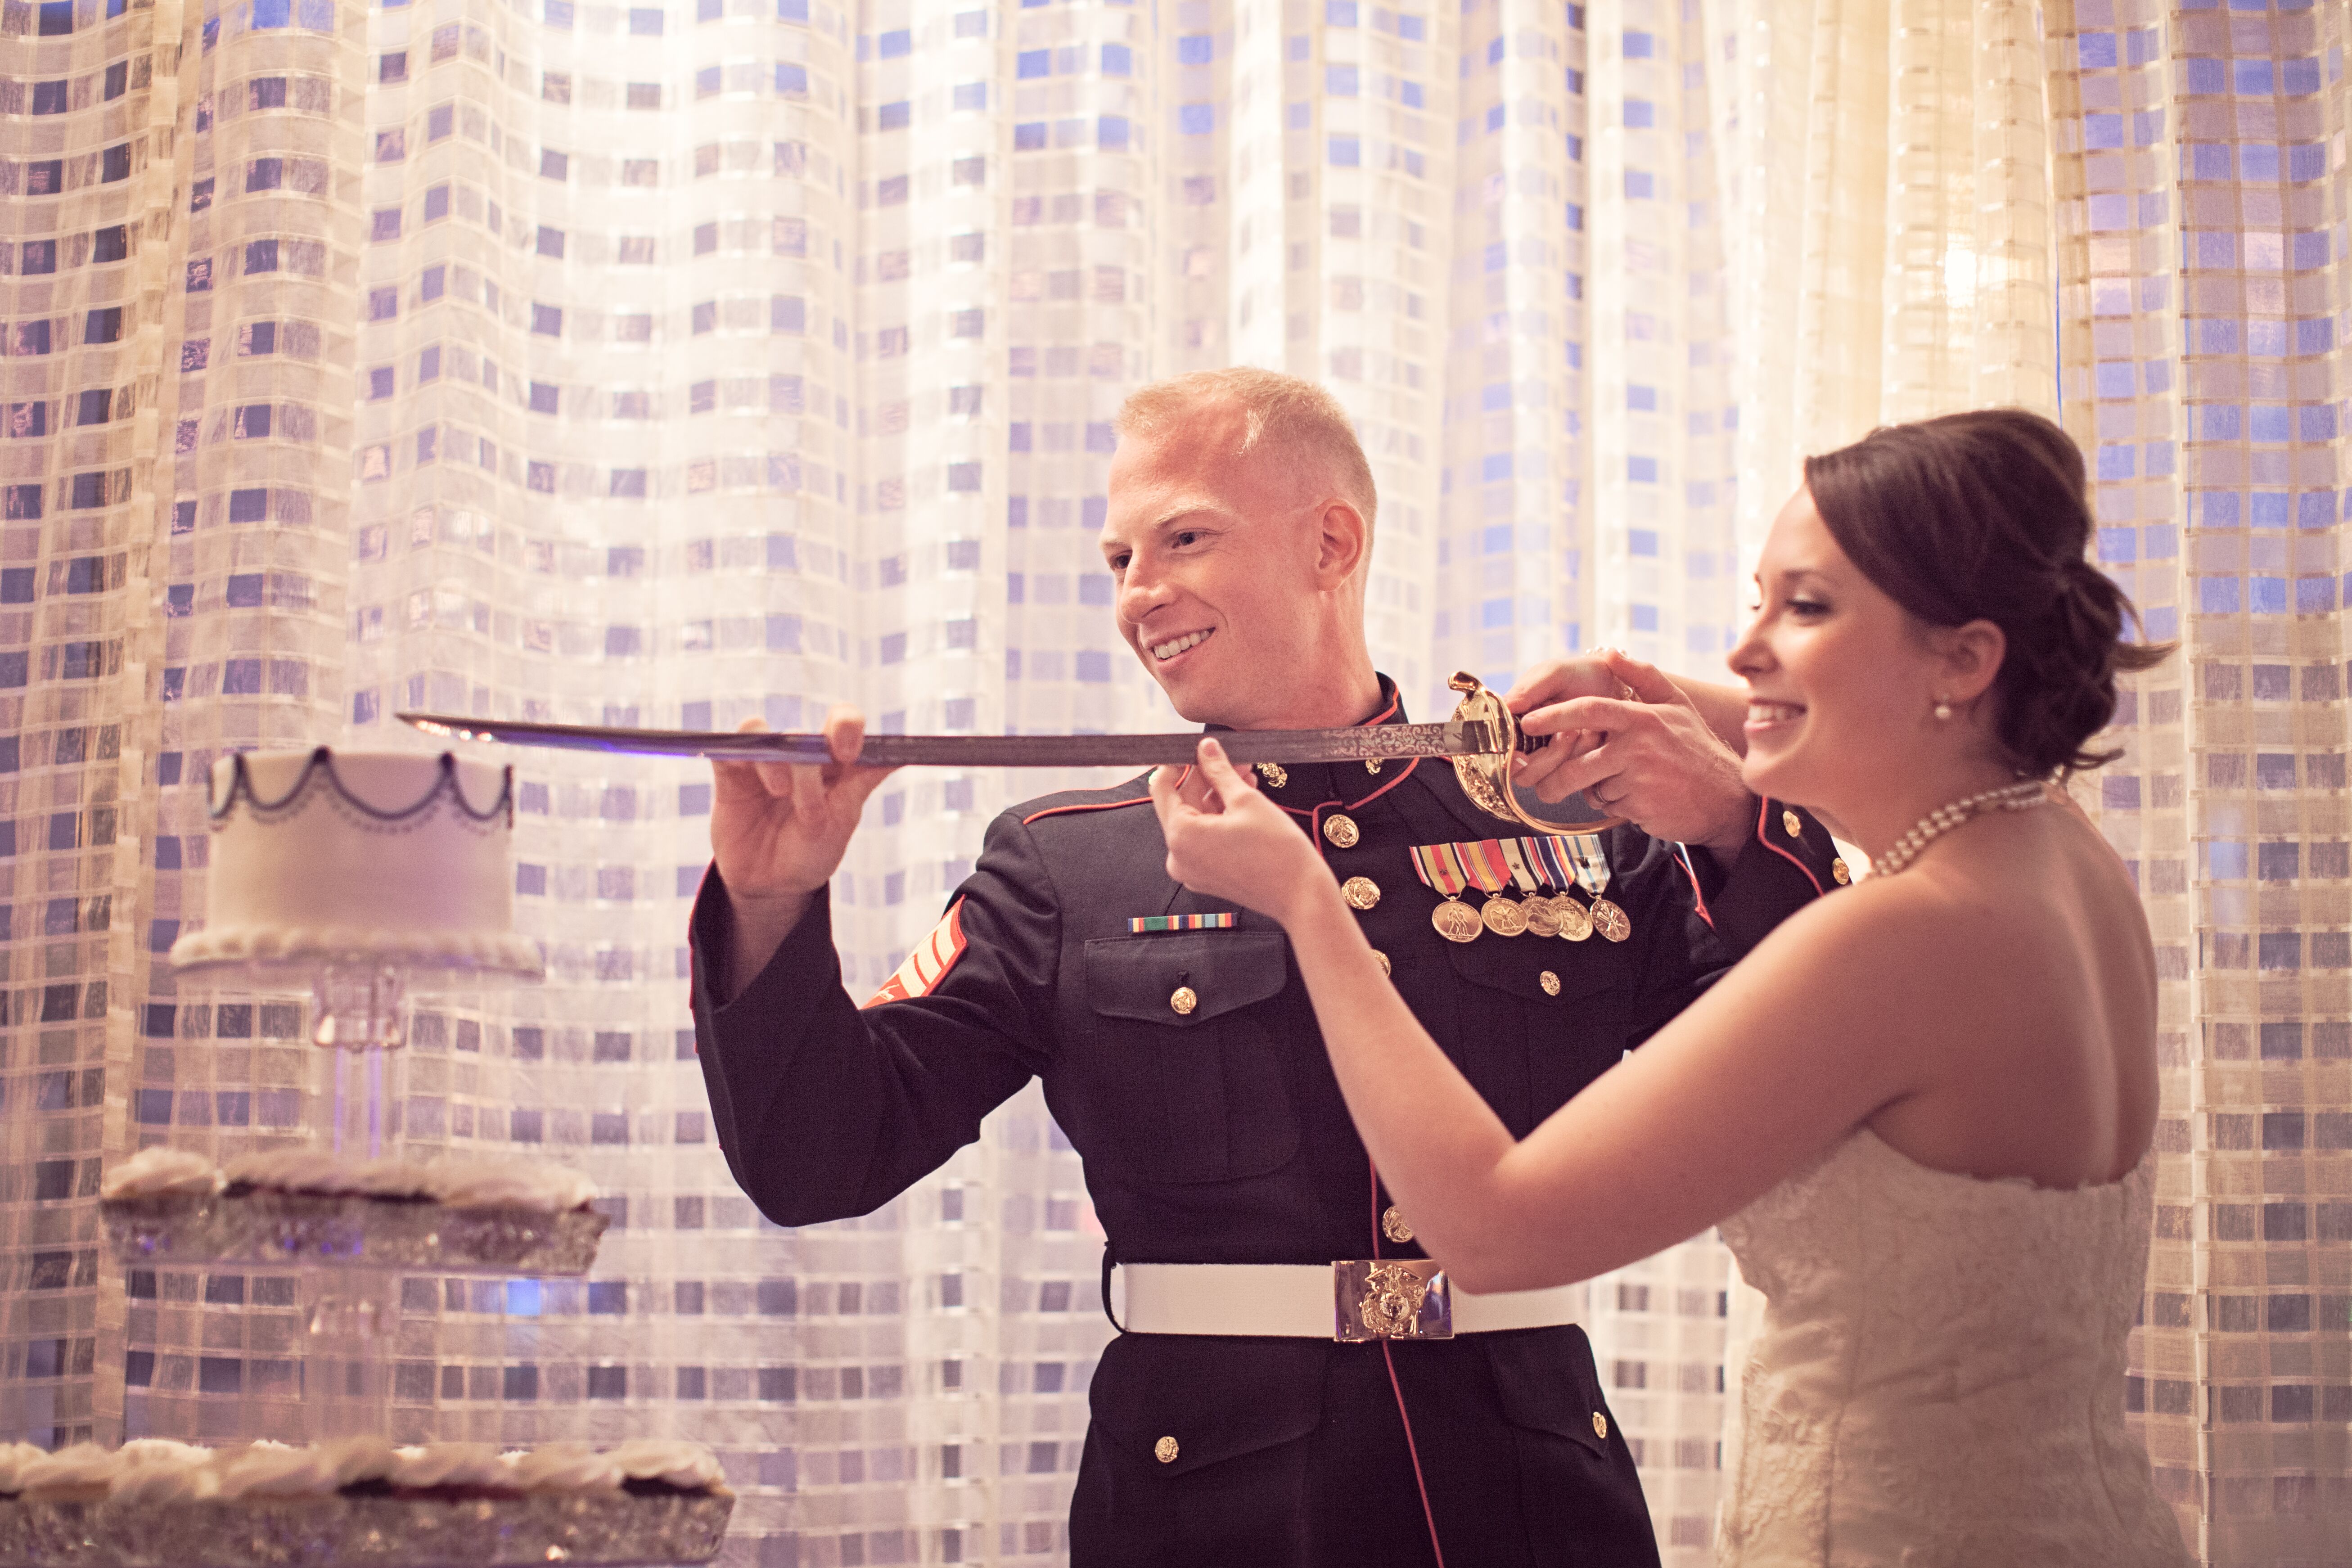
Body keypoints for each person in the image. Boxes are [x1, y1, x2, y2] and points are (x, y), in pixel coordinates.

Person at [689, 368, 1842, 1567]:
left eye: (1184, 537)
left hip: (1533, 1489)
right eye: (1119, 560)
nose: (1141, 594)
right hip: (1210, 1506)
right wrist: (770, 901)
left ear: (1331, 541)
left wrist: (1735, 826)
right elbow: (814, 1159)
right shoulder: (1062, 863)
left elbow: (1808, 1088)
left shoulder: (1567, 825)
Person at [1148, 408, 2194, 1566]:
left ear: (1964, 657)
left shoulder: (1895, 938)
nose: (1745, 653)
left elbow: (1492, 1230)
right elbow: (1887, 730)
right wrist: (1632, 685)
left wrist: (1308, 905)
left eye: (1804, 607)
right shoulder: (2057, 849)